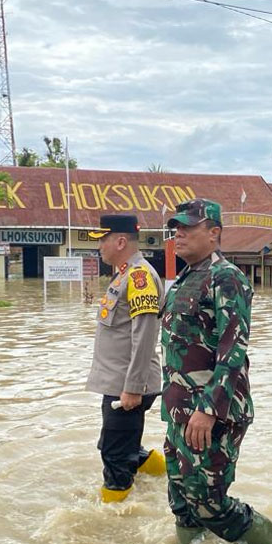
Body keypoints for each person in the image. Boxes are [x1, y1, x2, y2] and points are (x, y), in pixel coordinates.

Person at [160, 198, 272, 544]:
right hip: (179, 410)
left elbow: (233, 350)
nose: (179, 233)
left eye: (188, 227)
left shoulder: (226, 278)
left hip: (211, 412)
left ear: (214, 233)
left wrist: (208, 409)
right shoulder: (186, 278)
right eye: (176, 227)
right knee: (181, 500)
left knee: (210, 502)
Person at [84, 213, 167, 503]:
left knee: (115, 456)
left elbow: (144, 336)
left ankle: (112, 520)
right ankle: (167, 477)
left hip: (128, 387)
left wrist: (133, 387)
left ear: (120, 241)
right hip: (119, 383)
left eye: (102, 240)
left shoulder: (140, 277)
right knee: (123, 445)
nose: (100, 247)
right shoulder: (124, 273)